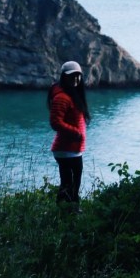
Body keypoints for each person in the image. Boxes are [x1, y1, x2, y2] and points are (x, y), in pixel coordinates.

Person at [48, 60, 89, 205]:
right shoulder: (62, 97)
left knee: (71, 183)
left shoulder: (72, 95)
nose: (76, 78)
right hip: (66, 149)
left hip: (72, 149)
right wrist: (76, 133)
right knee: (70, 184)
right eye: (72, 75)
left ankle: (66, 209)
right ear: (64, 77)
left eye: (78, 75)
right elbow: (55, 122)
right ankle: (69, 210)